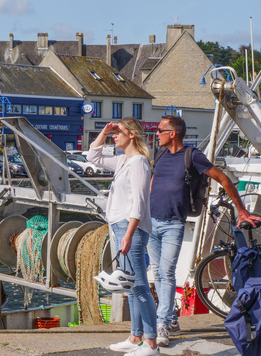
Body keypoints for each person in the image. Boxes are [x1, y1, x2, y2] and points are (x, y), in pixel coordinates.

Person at [149, 115, 261, 347]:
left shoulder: (192, 156)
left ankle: (162, 323)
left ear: (173, 133)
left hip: (173, 223)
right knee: (158, 274)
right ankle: (170, 318)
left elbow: (223, 179)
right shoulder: (159, 154)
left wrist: (241, 210)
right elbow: (153, 183)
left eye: (160, 130)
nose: (156, 133)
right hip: (151, 221)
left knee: (167, 273)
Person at [88, 118, 159, 356]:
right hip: (120, 226)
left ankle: (151, 343)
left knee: (139, 286)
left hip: (131, 229)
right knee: (129, 284)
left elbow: (140, 202)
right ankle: (135, 336)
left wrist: (129, 234)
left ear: (131, 135)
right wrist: (104, 131)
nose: (114, 136)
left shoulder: (138, 162)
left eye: (118, 132)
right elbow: (93, 157)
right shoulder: (123, 161)